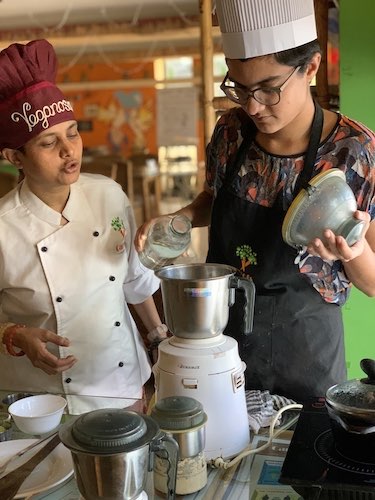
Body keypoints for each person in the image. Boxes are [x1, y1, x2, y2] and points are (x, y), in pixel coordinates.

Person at [135, 0, 375, 403]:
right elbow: (215, 198)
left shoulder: (354, 152)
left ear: (311, 68)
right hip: (220, 338)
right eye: (239, 88)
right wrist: (183, 218)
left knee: (298, 458)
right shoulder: (231, 129)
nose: (252, 106)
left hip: (305, 353)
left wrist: (350, 253)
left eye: (268, 89)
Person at [0, 39, 167, 414]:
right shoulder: (3, 228)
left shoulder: (108, 194)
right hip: (39, 402)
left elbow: (132, 277)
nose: (69, 150)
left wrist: (158, 337)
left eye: (72, 133)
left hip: (122, 383)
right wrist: (14, 334)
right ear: (14, 158)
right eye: (49, 142)